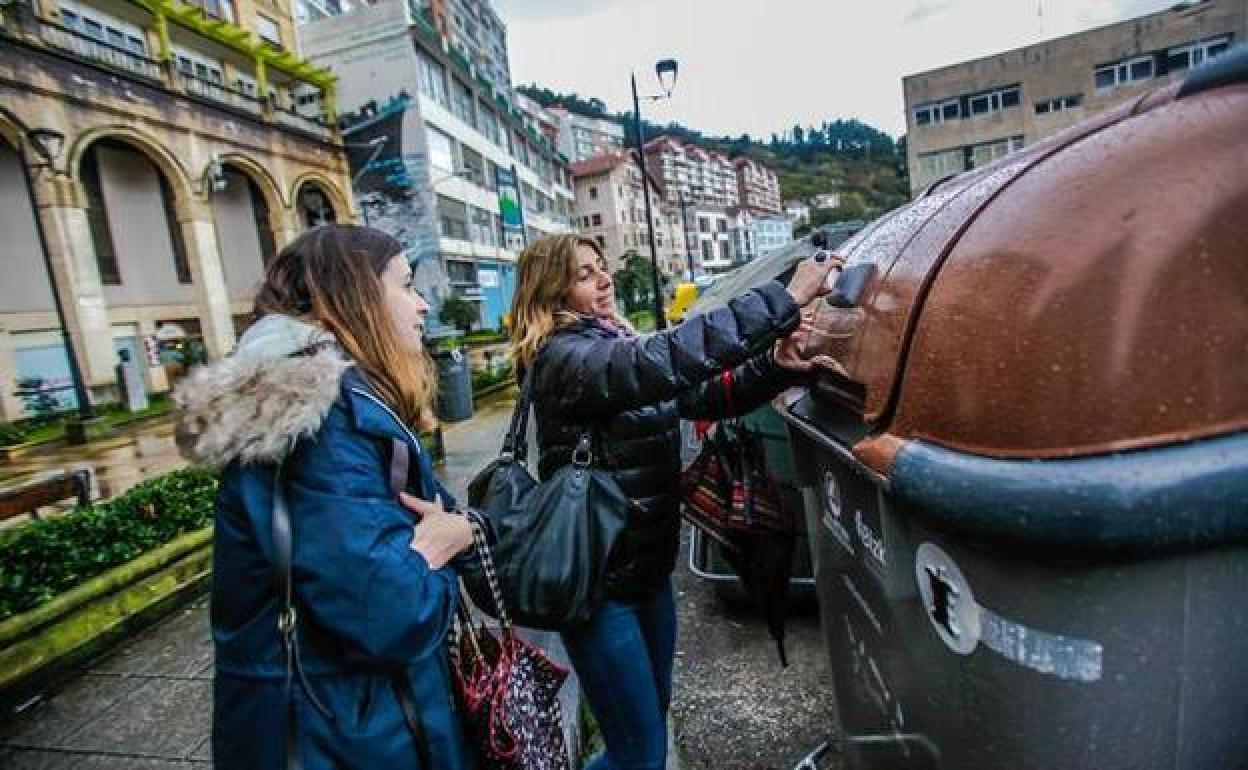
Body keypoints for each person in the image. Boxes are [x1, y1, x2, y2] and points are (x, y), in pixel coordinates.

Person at [509, 234, 838, 770]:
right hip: (601, 590)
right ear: (552, 293)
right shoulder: (563, 360)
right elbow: (665, 357)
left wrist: (777, 364)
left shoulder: (612, 343)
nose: (605, 279)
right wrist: (783, 300)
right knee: (639, 754)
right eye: (584, 274)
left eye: (602, 266)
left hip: (646, 575)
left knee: (645, 735)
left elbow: (707, 393)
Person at [174, 225, 476, 770]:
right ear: (355, 295)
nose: (423, 304)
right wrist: (442, 545)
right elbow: (391, 614)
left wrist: (453, 529)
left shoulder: (314, 405)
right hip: (348, 734)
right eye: (407, 285)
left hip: (340, 723)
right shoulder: (324, 423)